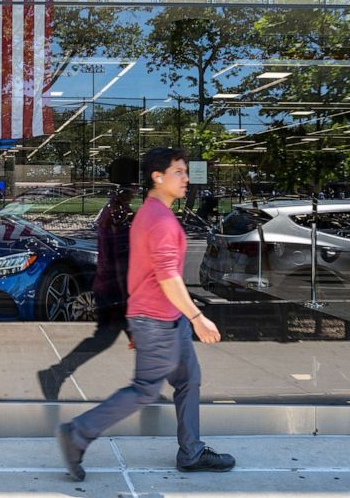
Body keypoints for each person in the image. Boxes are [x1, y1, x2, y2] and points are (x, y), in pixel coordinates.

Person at [55, 147, 234, 482]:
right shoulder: (161, 221)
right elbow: (168, 276)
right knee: (145, 390)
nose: (185, 178)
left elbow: (140, 271)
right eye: (179, 171)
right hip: (160, 320)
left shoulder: (149, 214)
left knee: (188, 380)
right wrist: (197, 317)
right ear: (158, 176)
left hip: (165, 319)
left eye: (185, 171)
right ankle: (77, 434)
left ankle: (191, 451)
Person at [37, 157, 138, 400]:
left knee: (109, 339)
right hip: (118, 289)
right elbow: (121, 256)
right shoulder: (121, 213)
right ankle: (147, 387)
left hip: (110, 286)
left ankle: (56, 373)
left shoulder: (110, 209)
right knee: (128, 340)